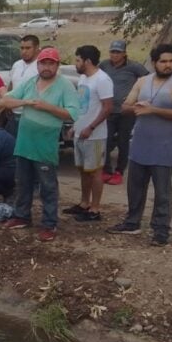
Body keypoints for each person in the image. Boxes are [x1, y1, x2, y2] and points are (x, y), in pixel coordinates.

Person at [107, 44, 172, 246]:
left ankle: (161, 230)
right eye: (163, 61)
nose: (168, 65)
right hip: (139, 143)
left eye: (171, 61)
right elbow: (126, 106)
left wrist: (153, 110)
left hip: (164, 146)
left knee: (162, 191)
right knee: (135, 187)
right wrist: (137, 107)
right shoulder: (143, 81)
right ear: (154, 63)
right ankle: (132, 222)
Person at [0, 47, 80, 243]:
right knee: (23, 182)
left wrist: (48, 107)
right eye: (43, 63)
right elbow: (6, 100)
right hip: (25, 142)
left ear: (57, 65)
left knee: (47, 186)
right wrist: (24, 102)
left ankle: (49, 223)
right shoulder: (30, 82)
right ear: (38, 64)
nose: (46, 67)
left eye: (51, 63)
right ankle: (22, 216)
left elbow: (72, 113)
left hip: (45, 144)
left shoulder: (65, 86)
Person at [64, 45, 114, 222]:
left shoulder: (102, 80)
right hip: (80, 132)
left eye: (78, 60)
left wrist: (91, 127)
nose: (75, 64)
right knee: (83, 171)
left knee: (95, 172)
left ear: (87, 61)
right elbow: (82, 105)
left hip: (95, 135)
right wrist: (75, 126)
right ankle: (84, 203)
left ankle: (95, 208)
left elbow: (108, 108)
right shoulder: (84, 78)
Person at [99, 40, 148, 185]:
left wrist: (137, 96)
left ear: (124, 53)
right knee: (106, 140)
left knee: (122, 141)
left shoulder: (134, 67)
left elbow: (148, 80)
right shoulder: (104, 65)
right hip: (108, 110)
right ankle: (106, 170)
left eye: (118, 52)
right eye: (112, 51)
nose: (115, 55)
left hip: (126, 111)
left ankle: (119, 171)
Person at [4, 35, 41, 136]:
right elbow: (12, 84)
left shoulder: (41, 67)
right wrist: (7, 104)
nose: (24, 51)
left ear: (37, 48)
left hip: (31, 116)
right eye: (22, 48)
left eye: (28, 48)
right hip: (14, 114)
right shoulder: (17, 64)